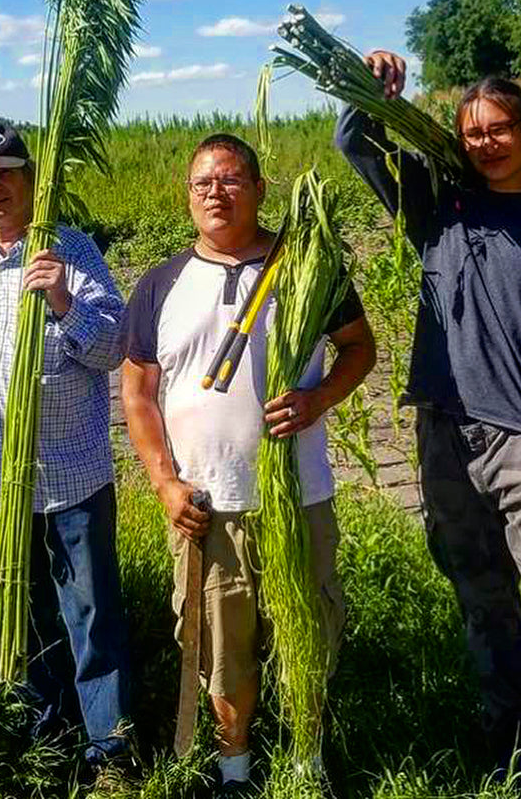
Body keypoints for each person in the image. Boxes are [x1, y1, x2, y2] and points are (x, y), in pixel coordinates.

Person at [335, 54, 521, 798]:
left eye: (500, 129)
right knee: (483, 604)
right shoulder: (442, 205)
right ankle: (513, 746)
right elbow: (356, 147)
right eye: (473, 132)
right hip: (446, 436)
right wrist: (372, 93)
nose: (487, 142)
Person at [120, 134, 376, 794]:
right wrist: (164, 483)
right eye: (202, 182)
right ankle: (235, 769)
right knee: (218, 647)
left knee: (306, 633)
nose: (215, 192)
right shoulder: (160, 284)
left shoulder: (304, 268)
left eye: (232, 179)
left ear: (260, 189)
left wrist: (319, 397)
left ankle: (306, 761)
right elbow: (138, 393)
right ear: (187, 196)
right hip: (209, 507)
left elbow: (359, 347)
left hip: (299, 497)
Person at [0, 121, 132, 782]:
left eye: (6, 174)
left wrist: (64, 300)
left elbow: (112, 351)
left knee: (92, 618)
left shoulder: (72, 252)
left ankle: (111, 754)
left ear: (31, 180)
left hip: (71, 476)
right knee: (20, 618)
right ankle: (48, 746)